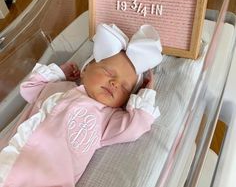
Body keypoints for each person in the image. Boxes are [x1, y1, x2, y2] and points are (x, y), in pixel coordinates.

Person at [0, 23, 162, 187]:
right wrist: (60, 72)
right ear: (85, 70)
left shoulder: (107, 118)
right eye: (109, 73)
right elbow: (29, 88)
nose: (115, 83)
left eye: (125, 88)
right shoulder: (58, 86)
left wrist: (146, 93)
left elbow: (135, 126)